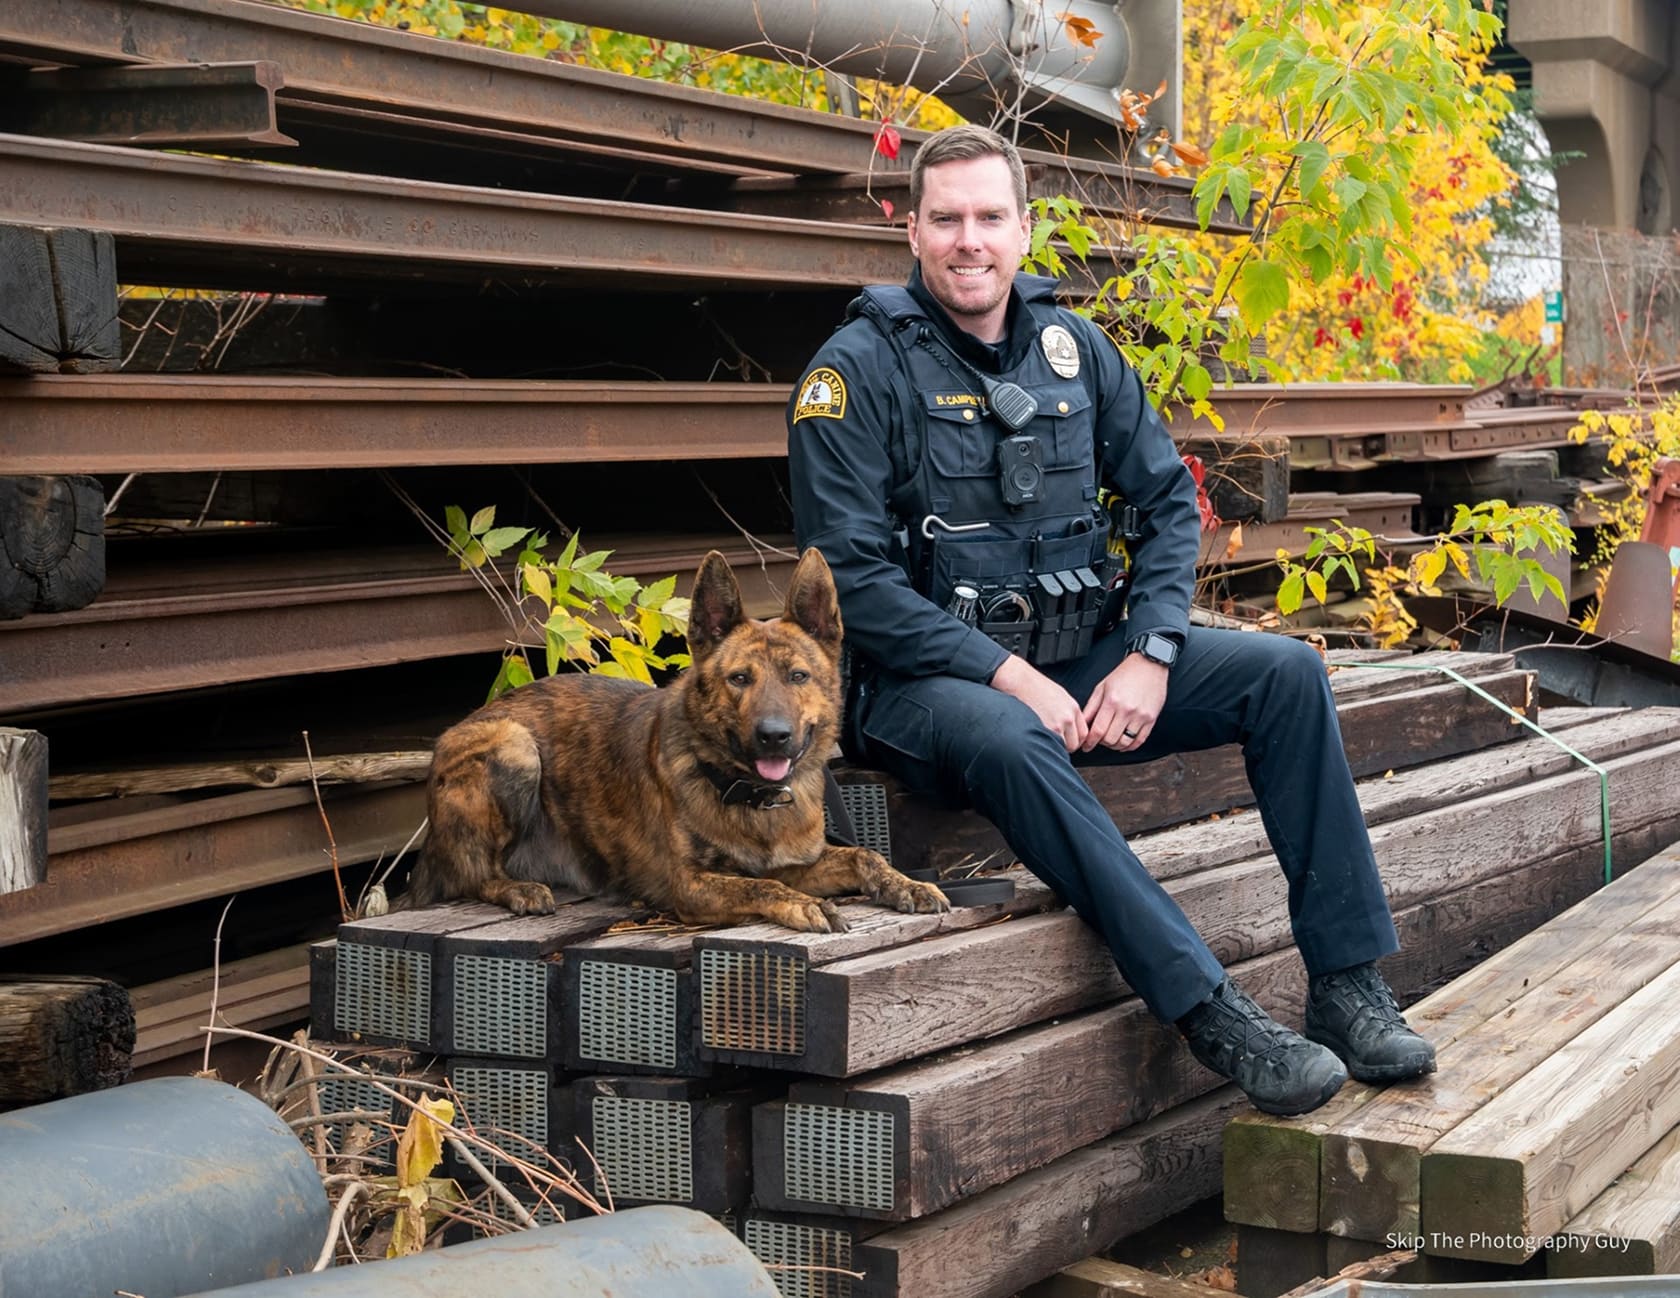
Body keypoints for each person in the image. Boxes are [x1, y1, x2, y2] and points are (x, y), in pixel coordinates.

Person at [784, 124, 1435, 1116]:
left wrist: (1149, 651)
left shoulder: (1073, 351)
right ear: (911, 230)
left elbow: (1172, 503)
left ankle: (1347, 988)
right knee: (1007, 733)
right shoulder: (856, 373)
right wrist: (1010, 679)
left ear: (1024, 228)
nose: (971, 240)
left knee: (1288, 675)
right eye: (948, 218)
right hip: (922, 696)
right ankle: (1212, 1010)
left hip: (1076, 663)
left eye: (991, 217)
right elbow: (855, 584)